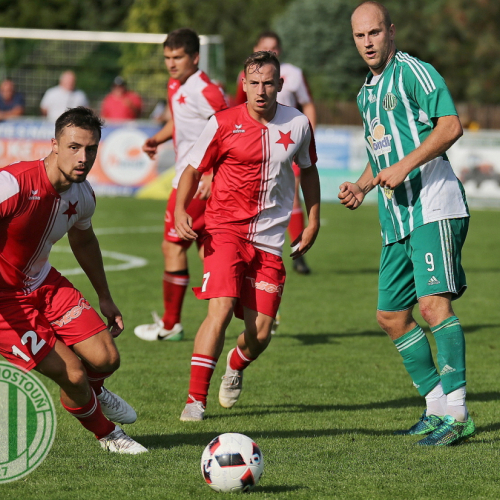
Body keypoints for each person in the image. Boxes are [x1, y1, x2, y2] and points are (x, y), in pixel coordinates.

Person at [339, 1, 474, 446]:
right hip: (395, 218)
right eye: (360, 36)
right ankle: (436, 406)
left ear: (391, 32)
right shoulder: (366, 93)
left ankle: (457, 415)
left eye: (375, 33)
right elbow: (382, 156)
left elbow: (450, 126)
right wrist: (362, 186)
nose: (368, 43)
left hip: (434, 206)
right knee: (391, 316)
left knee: (434, 306)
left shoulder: (415, 72)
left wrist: (406, 166)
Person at [175, 51, 320, 421]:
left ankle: (235, 364)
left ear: (280, 85)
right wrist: (180, 209)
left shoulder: (299, 124)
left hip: (269, 241)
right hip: (224, 230)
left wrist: (314, 220)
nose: (260, 90)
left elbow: (309, 171)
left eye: (268, 83)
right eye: (253, 83)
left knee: (260, 334)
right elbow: (193, 170)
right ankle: (195, 400)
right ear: (243, 84)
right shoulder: (222, 123)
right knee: (220, 308)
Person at [0, 107, 147, 455]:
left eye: (91, 149)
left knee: (107, 358)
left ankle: (94, 394)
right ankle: (108, 434)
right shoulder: (13, 183)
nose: (83, 158)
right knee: (73, 374)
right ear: (54, 144)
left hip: (42, 283)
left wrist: (105, 297)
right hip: (4, 300)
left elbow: (84, 241)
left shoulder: (83, 196)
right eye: (74, 147)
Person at [134, 28, 227, 342]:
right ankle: (253, 307)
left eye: (178, 57)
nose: (171, 64)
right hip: (187, 176)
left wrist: (212, 174)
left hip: (194, 181)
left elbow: (229, 131)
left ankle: (171, 324)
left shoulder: (208, 91)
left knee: (173, 245)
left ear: (195, 57)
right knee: (206, 249)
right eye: (167, 58)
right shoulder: (176, 84)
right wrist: (157, 139)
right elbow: (178, 120)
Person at [235, 31, 317, 275]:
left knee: (292, 195)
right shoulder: (247, 75)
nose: (272, 51)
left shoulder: (293, 74)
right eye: (266, 47)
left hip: (287, 142)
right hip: (255, 144)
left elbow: (308, 104)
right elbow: (237, 106)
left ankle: (298, 252)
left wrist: (308, 136)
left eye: (275, 48)